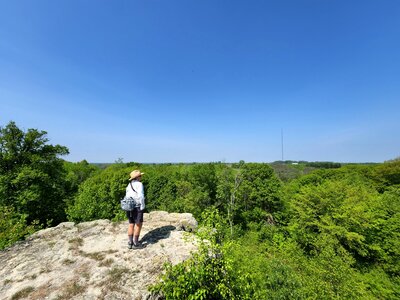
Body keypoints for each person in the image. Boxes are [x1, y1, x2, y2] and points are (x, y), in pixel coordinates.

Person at [125, 169, 146, 249]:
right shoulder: (139, 184)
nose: (141, 177)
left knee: (131, 224)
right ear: (137, 177)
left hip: (129, 206)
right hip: (137, 206)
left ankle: (130, 242)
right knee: (138, 224)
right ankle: (136, 243)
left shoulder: (129, 185)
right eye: (140, 176)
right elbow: (140, 195)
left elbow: (127, 196)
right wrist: (142, 206)